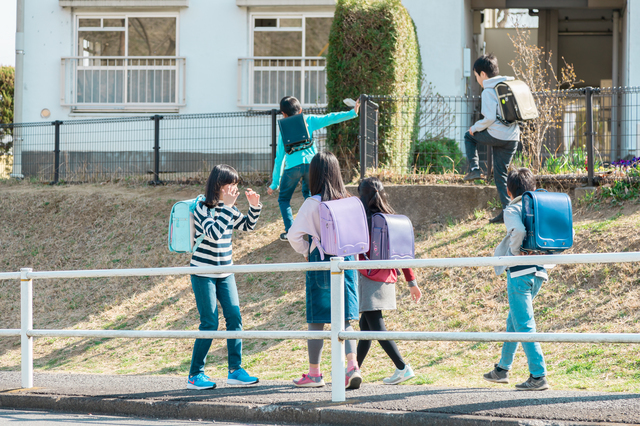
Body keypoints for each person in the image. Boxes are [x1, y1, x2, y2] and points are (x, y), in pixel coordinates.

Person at [287, 151, 362, 389]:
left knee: (317, 322)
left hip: (321, 262)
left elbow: (293, 235)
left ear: (315, 174)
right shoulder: (348, 201)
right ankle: (352, 367)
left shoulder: (312, 203)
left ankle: (314, 374)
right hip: (347, 262)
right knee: (345, 320)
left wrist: (307, 250)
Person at [187, 164, 262, 390]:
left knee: (235, 318)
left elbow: (247, 226)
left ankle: (235, 370)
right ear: (219, 185)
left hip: (226, 271)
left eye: (236, 185)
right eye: (232, 184)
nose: (235, 189)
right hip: (203, 272)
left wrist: (254, 207)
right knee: (209, 322)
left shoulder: (228, 208)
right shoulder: (202, 207)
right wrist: (227, 208)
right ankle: (195, 374)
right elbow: (213, 233)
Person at [483, 167, 550, 391]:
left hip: (519, 273)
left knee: (524, 325)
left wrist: (514, 254)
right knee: (515, 321)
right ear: (532, 187)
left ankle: (538, 376)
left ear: (510, 191)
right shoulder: (539, 205)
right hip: (539, 271)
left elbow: (518, 232)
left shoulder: (512, 209)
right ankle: (502, 369)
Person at [355, 177, 422, 385]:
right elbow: (402, 254)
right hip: (387, 278)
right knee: (366, 327)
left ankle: (403, 367)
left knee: (375, 326)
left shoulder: (363, 219)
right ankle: (352, 371)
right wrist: (412, 282)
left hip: (368, 278)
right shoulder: (390, 219)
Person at [268, 96, 360, 241]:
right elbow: (329, 118)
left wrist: (275, 183)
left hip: (292, 168)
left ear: (283, 114)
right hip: (313, 166)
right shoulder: (308, 120)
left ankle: (290, 231)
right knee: (311, 196)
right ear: (301, 110)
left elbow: (279, 158)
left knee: (284, 199)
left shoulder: (283, 131)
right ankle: (314, 231)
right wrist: (351, 113)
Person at [464, 53, 520, 224]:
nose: (477, 81)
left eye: (476, 77)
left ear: (482, 74)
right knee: (500, 174)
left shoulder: (489, 90)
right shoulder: (509, 84)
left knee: (469, 136)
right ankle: (507, 212)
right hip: (513, 137)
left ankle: (474, 169)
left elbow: (488, 118)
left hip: (497, 135)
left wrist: (474, 128)